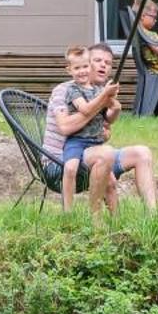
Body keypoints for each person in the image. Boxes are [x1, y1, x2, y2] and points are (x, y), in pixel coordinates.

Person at [83, 43, 158, 213]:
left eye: (108, 63)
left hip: (100, 152)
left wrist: (112, 112)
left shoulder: (103, 91)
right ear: (86, 63)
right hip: (76, 156)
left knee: (142, 152)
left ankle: (153, 218)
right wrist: (103, 99)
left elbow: (105, 132)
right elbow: (69, 127)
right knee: (106, 153)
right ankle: (100, 220)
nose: (103, 65)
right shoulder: (72, 90)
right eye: (97, 60)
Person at [43, 45, 107, 209]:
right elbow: (84, 112)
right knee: (88, 164)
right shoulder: (68, 90)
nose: (82, 71)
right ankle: (70, 213)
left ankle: (115, 219)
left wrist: (114, 105)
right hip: (65, 152)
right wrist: (103, 99)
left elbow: (107, 128)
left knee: (137, 155)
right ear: (69, 70)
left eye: (85, 66)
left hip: (89, 145)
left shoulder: (96, 90)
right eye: (77, 68)